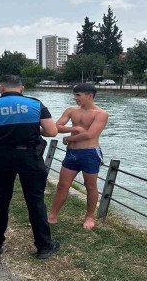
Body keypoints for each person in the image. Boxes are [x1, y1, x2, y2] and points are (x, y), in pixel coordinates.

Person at [0, 75, 60, 259]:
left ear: (1, 88)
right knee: (35, 201)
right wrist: (32, 129)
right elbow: (51, 131)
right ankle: (44, 246)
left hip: (1, 157)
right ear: (22, 89)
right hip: (29, 156)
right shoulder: (36, 104)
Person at [48, 83, 109, 230]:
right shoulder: (71, 110)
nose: (75, 98)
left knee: (90, 186)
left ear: (90, 95)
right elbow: (57, 127)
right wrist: (74, 128)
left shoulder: (101, 114)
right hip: (72, 154)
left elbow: (90, 134)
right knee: (62, 185)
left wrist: (68, 138)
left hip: (90, 153)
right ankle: (52, 216)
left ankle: (89, 216)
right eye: (74, 95)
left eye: (78, 95)